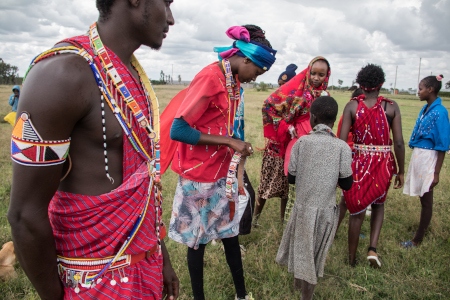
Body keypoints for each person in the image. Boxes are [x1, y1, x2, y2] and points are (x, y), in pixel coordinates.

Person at [7, 1, 179, 299]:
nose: (171, 18)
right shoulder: (61, 75)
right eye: (166, 2)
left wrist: (160, 254)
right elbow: (24, 215)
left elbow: (147, 182)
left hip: (145, 269)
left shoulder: (133, 76)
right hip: (91, 284)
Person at [168, 25, 277, 300]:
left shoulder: (232, 82)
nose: (257, 77)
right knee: (198, 243)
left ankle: (241, 295)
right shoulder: (210, 78)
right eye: (259, 71)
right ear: (246, 60)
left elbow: (223, 127)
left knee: (230, 235)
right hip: (198, 178)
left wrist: (237, 155)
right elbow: (178, 130)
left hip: (221, 174)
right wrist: (229, 142)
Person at [276, 96, 353, 300]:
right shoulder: (342, 148)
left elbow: (291, 178)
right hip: (325, 211)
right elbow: (347, 183)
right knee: (314, 255)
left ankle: (300, 288)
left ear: (312, 117)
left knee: (301, 247)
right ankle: (306, 294)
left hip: (302, 208)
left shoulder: (302, 143)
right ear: (334, 121)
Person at [338, 64, 405, 267]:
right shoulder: (391, 107)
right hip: (384, 163)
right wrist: (401, 171)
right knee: (379, 204)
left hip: (358, 162)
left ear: (360, 84)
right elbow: (399, 142)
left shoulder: (352, 106)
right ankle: (372, 249)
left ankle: (351, 260)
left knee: (356, 211)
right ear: (381, 84)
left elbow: (342, 142)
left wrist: (341, 169)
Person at [254, 56, 330, 225]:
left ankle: (284, 221)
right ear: (308, 72)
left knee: (290, 187)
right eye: (314, 73)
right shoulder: (297, 91)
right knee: (267, 184)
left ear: (327, 75)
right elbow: (269, 106)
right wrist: (285, 126)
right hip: (282, 143)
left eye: (321, 74)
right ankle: (255, 218)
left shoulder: (325, 96)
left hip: (307, 147)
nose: (317, 78)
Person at [402, 74, 449, 248]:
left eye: (420, 88)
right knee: (423, 197)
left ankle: (417, 239)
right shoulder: (426, 109)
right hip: (420, 156)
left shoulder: (440, 113)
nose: (418, 92)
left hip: (429, 158)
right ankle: (421, 231)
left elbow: (443, 145)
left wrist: (436, 172)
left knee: (427, 199)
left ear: (430, 90)